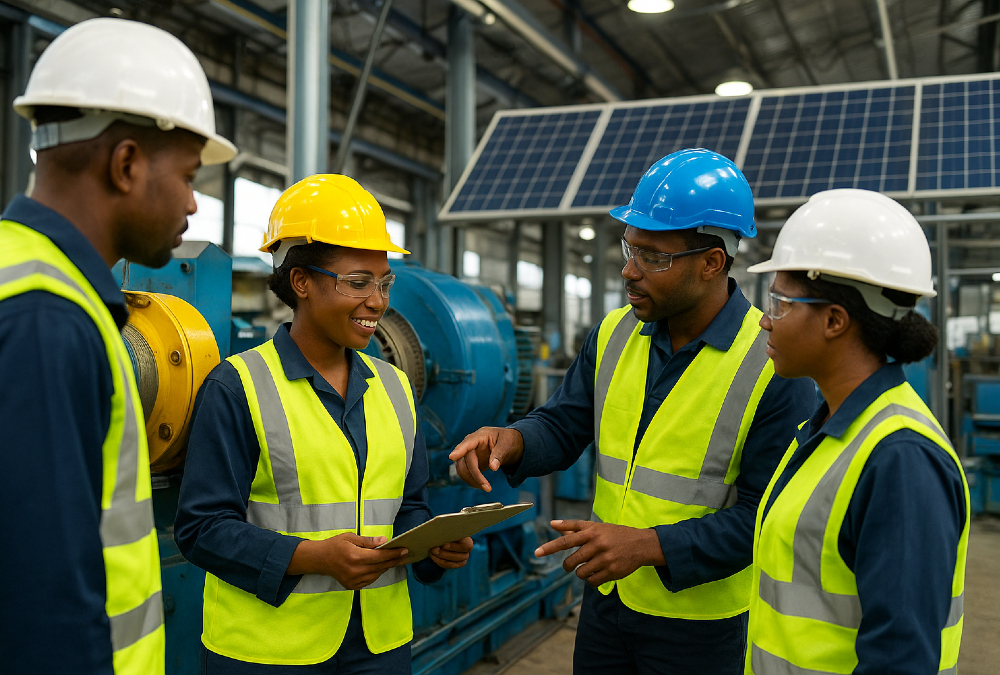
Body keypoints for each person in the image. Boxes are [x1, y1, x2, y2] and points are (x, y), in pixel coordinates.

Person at [449, 149, 816, 674]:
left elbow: (765, 519)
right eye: (630, 248)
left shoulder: (773, 366)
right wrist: (513, 441)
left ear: (712, 262)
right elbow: (562, 423)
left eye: (653, 257)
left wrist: (648, 546)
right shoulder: (615, 334)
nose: (629, 271)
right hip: (606, 604)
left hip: (701, 627)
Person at [0, 18, 236, 675]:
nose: (193, 201)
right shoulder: (47, 319)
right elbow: (40, 598)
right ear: (126, 163)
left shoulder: (31, 280)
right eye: (189, 174)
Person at [175, 174, 473, 674]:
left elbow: (410, 506)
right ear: (301, 282)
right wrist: (313, 557)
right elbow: (202, 528)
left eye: (383, 283)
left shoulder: (395, 388)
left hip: (381, 646)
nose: (378, 301)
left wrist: (431, 547)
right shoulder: (237, 387)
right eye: (358, 283)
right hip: (268, 653)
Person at [744, 188, 970, 675]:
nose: (765, 320)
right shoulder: (826, 428)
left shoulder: (900, 459)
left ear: (834, 320)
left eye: (780, 303)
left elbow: (901, 658)